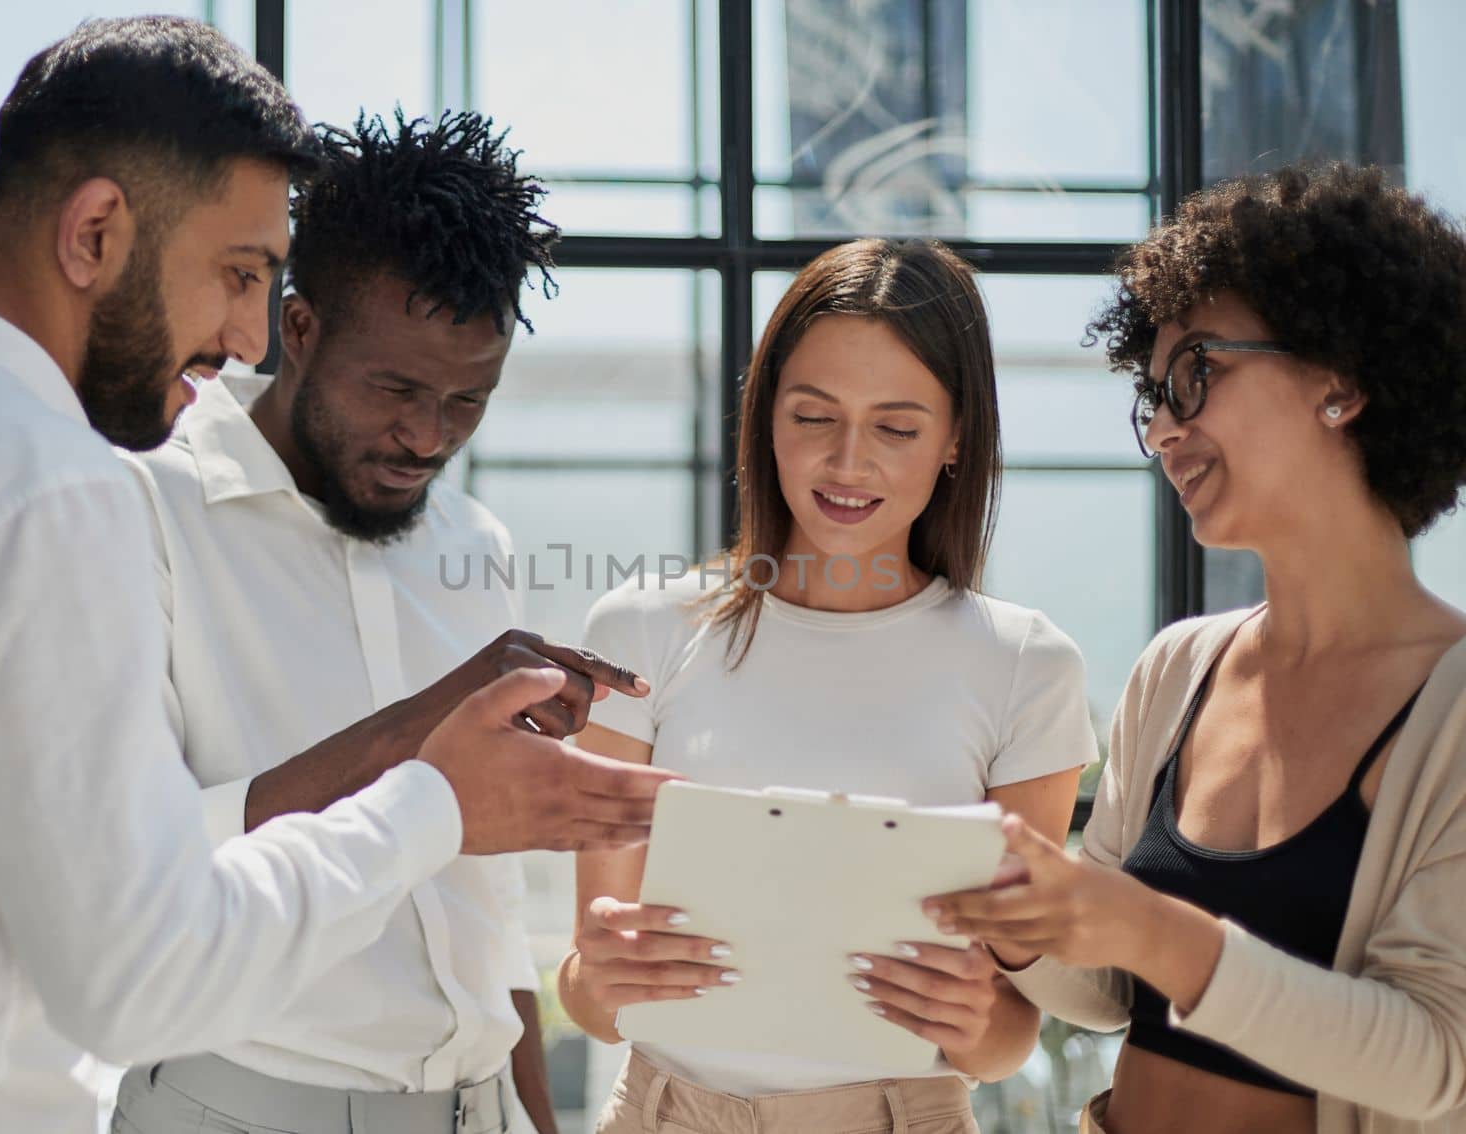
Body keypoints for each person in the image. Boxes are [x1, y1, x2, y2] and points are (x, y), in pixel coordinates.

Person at [0, 19, 671, 1134]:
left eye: (467, 402)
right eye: (239, 273)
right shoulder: (76, 487)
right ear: (95, 230)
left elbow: (480, 920)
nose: (243, 335)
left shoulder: (470, 544)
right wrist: (428, 789)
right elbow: (136, 963)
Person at [918, 164, 1466, 1134]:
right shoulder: (1178, 669)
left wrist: (1149, 928)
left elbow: (1433, 1060)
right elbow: (1106, 990)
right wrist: (1007, 913)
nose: (1164, 429)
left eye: (1193, 376)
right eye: (1152, 396)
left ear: (1338, 381)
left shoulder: (1452, 706)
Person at [110, 107, 608, 1134]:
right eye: (395, 388)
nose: (429, 436)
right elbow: (141, 866)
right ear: (299, 327)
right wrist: (425, 737)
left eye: (470, 399)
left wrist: (528, 1107)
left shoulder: (476, 543)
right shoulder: (142, 509)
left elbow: (485, 898)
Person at [557, 238, 1099, 1134]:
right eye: (814, 417)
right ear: (767, 417)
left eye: (896, 427)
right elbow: (589, 993)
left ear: (957, 437)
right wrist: (602, 978)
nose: (849, 464)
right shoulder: (641, 632)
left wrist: (972, 1019)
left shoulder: (1026, 667)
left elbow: (1006, 1037)